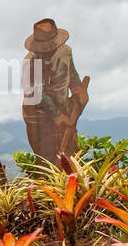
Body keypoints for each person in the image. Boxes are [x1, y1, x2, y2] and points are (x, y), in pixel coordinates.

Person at [21, 18, 90, 162]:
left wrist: (79, 92)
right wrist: (58, 116)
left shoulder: (65, 53)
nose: (47, 51)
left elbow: (73, 77)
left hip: (63, 105)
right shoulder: (29, 64)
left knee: (71, 155)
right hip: (38, 115)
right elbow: (38, 93)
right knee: (49, 159)